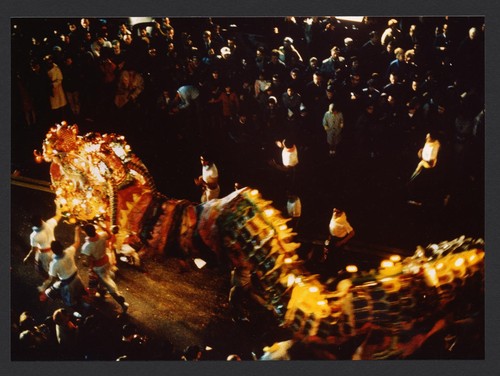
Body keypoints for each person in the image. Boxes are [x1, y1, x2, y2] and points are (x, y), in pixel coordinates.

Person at [81, 224, 129, 313]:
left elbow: (87, 263)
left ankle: (123, 303)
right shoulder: (102, 235)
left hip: (98, 267)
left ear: (86, 233)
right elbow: (110, 235)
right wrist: (103, 226)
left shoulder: (87, 246)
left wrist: (84, 262)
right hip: (106, 261)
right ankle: (102, 292)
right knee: (105, 278)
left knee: (110, 286)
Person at [40, 226, 87, 309]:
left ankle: (79, 310)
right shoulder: (69, 251)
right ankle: (87, 300)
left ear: (53, 251)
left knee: (70, 301)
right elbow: (77, 241)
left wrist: (44, 288)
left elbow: (52, 278)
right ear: (61, 247)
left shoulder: (54, 264)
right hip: (77, 278)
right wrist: (77, 231)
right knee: (81, 291)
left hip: (67, 285)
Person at [24, 210, 62, 290]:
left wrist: (27, 257)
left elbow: (33, 250)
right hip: (54, 249)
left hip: (45, 255)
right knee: (57, 263)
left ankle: (53, 283)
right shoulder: (50, 224)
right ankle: (61, 276)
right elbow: (59, 215)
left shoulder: (34, 236)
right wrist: (58, 204)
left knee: (48, 269)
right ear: (41, 219)